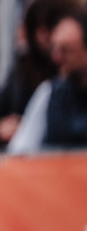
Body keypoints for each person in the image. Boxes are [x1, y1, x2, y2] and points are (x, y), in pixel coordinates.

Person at [8, 11, 87, 153]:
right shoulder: (49, 93)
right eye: (54, 49)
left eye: (65, 50)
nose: (56, 58)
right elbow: (20, 150)